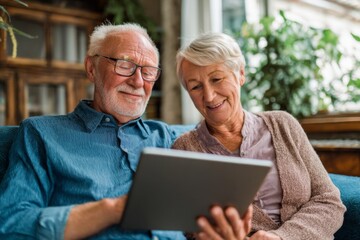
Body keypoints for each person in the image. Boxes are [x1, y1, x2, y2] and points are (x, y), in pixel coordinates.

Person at [0, 23, 252, 240]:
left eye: (148, 71)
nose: (138, 81)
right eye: (124, 65)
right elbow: (10, 225)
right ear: (91, 68)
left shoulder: (170, 139)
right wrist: (113, 209)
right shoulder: (41, 134)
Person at [172, 32, 346, 240]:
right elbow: (192, 230)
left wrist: (283, 237)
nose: (209, 96)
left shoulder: (283, 124)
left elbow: (329, 200)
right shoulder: (185, 149)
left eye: (217, 79)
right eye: (196, 86)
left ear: (241, 75)